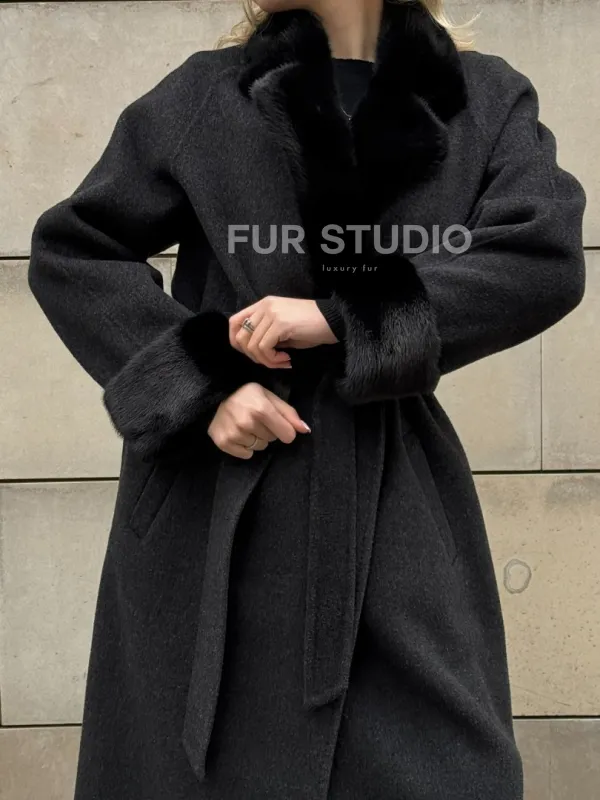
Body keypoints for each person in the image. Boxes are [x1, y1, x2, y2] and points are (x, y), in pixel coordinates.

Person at [28, 1, 586, 798]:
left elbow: (542, 258)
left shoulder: (485, 97)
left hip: (391, 492)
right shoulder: (207, 93)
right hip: (215, 503)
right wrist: (204, 388)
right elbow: (75, 250)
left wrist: (343, 319)